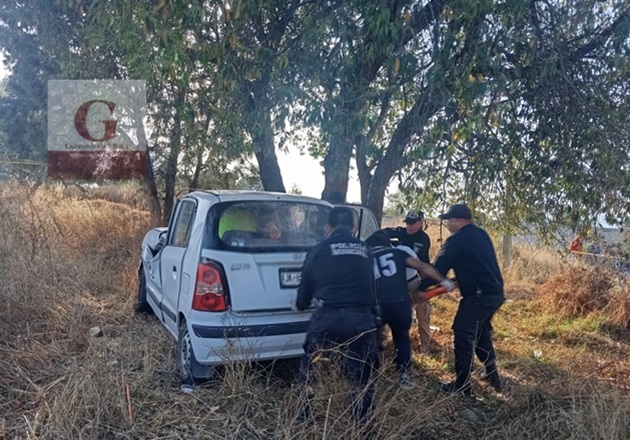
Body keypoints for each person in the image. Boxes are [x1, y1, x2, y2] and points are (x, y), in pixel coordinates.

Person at [293, 207, 379, 424]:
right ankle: (362, 423)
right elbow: (372, 285)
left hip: (327, 317)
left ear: (328, 227)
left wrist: (301, 304)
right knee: (361, 374)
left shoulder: (319, 249)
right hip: (362, 318)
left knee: (311, 367)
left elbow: (305, 288)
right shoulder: (366, 249)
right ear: (354, 228)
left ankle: (303, 415)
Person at [433, 203, 505, 396]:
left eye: (449, 220)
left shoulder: (457, 239)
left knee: (463, 333)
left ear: (460, 220)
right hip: (495, 293)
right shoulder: (481, 234)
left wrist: (422, 287)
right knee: (481, 333)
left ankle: (462, 386)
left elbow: (439, 267)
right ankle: (493, 376)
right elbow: (477, 264)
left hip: (478, 296)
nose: (447, 224)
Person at [366, 231, 453, 389]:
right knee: (402, 338)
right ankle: (404, 376)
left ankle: (370, 374)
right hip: (401, 303)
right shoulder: (399, 252)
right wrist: (443, 281)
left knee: (371, 337)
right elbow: (422, 266)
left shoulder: (367, 258)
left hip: (377, 305)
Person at [382, 210, 433, 353]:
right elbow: (383, 233)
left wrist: (394, 247)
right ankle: (384, 342)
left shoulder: (423, 239)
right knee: (392, 309)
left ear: (421, 223)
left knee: (422, 313)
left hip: (420, 281)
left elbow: (410, 256)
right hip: (400, 280)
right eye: (407, 223)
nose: (409, 226)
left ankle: (425, 347)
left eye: (413, 223)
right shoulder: (400, 231)